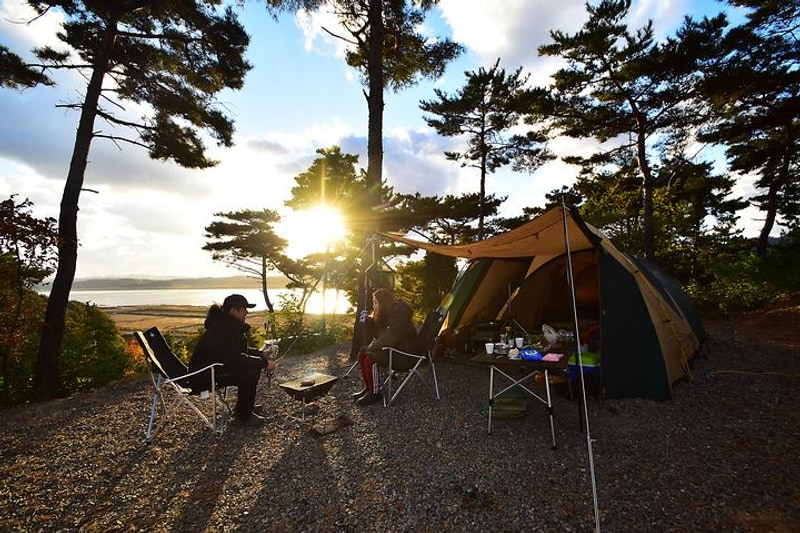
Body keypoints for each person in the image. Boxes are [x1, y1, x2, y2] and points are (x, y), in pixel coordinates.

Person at [189, 294, 277, 427]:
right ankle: (244, 416)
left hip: (214, 369)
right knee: (250, 371)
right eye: (244, 309)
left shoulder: (226, 325)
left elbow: (237, 351)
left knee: (252, 366)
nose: (246, 312)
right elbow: (237, 359)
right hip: (204, 376)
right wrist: (264, 363)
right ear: (233, 310)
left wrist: (261, 354)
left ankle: (244, 408)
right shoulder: (223, 329)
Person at [353, 288, 418, 406]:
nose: (374, 306)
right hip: (395, 349)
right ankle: (369, 387)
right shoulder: (389, 314)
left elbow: (389, 337)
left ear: (383, 304)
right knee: (361, 355)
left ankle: (375, 393)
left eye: (376, 303)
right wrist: (369, 323)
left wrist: (371, 348)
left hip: (405, 355)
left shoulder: (399, 316)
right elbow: (379, 335)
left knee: (370, 359)